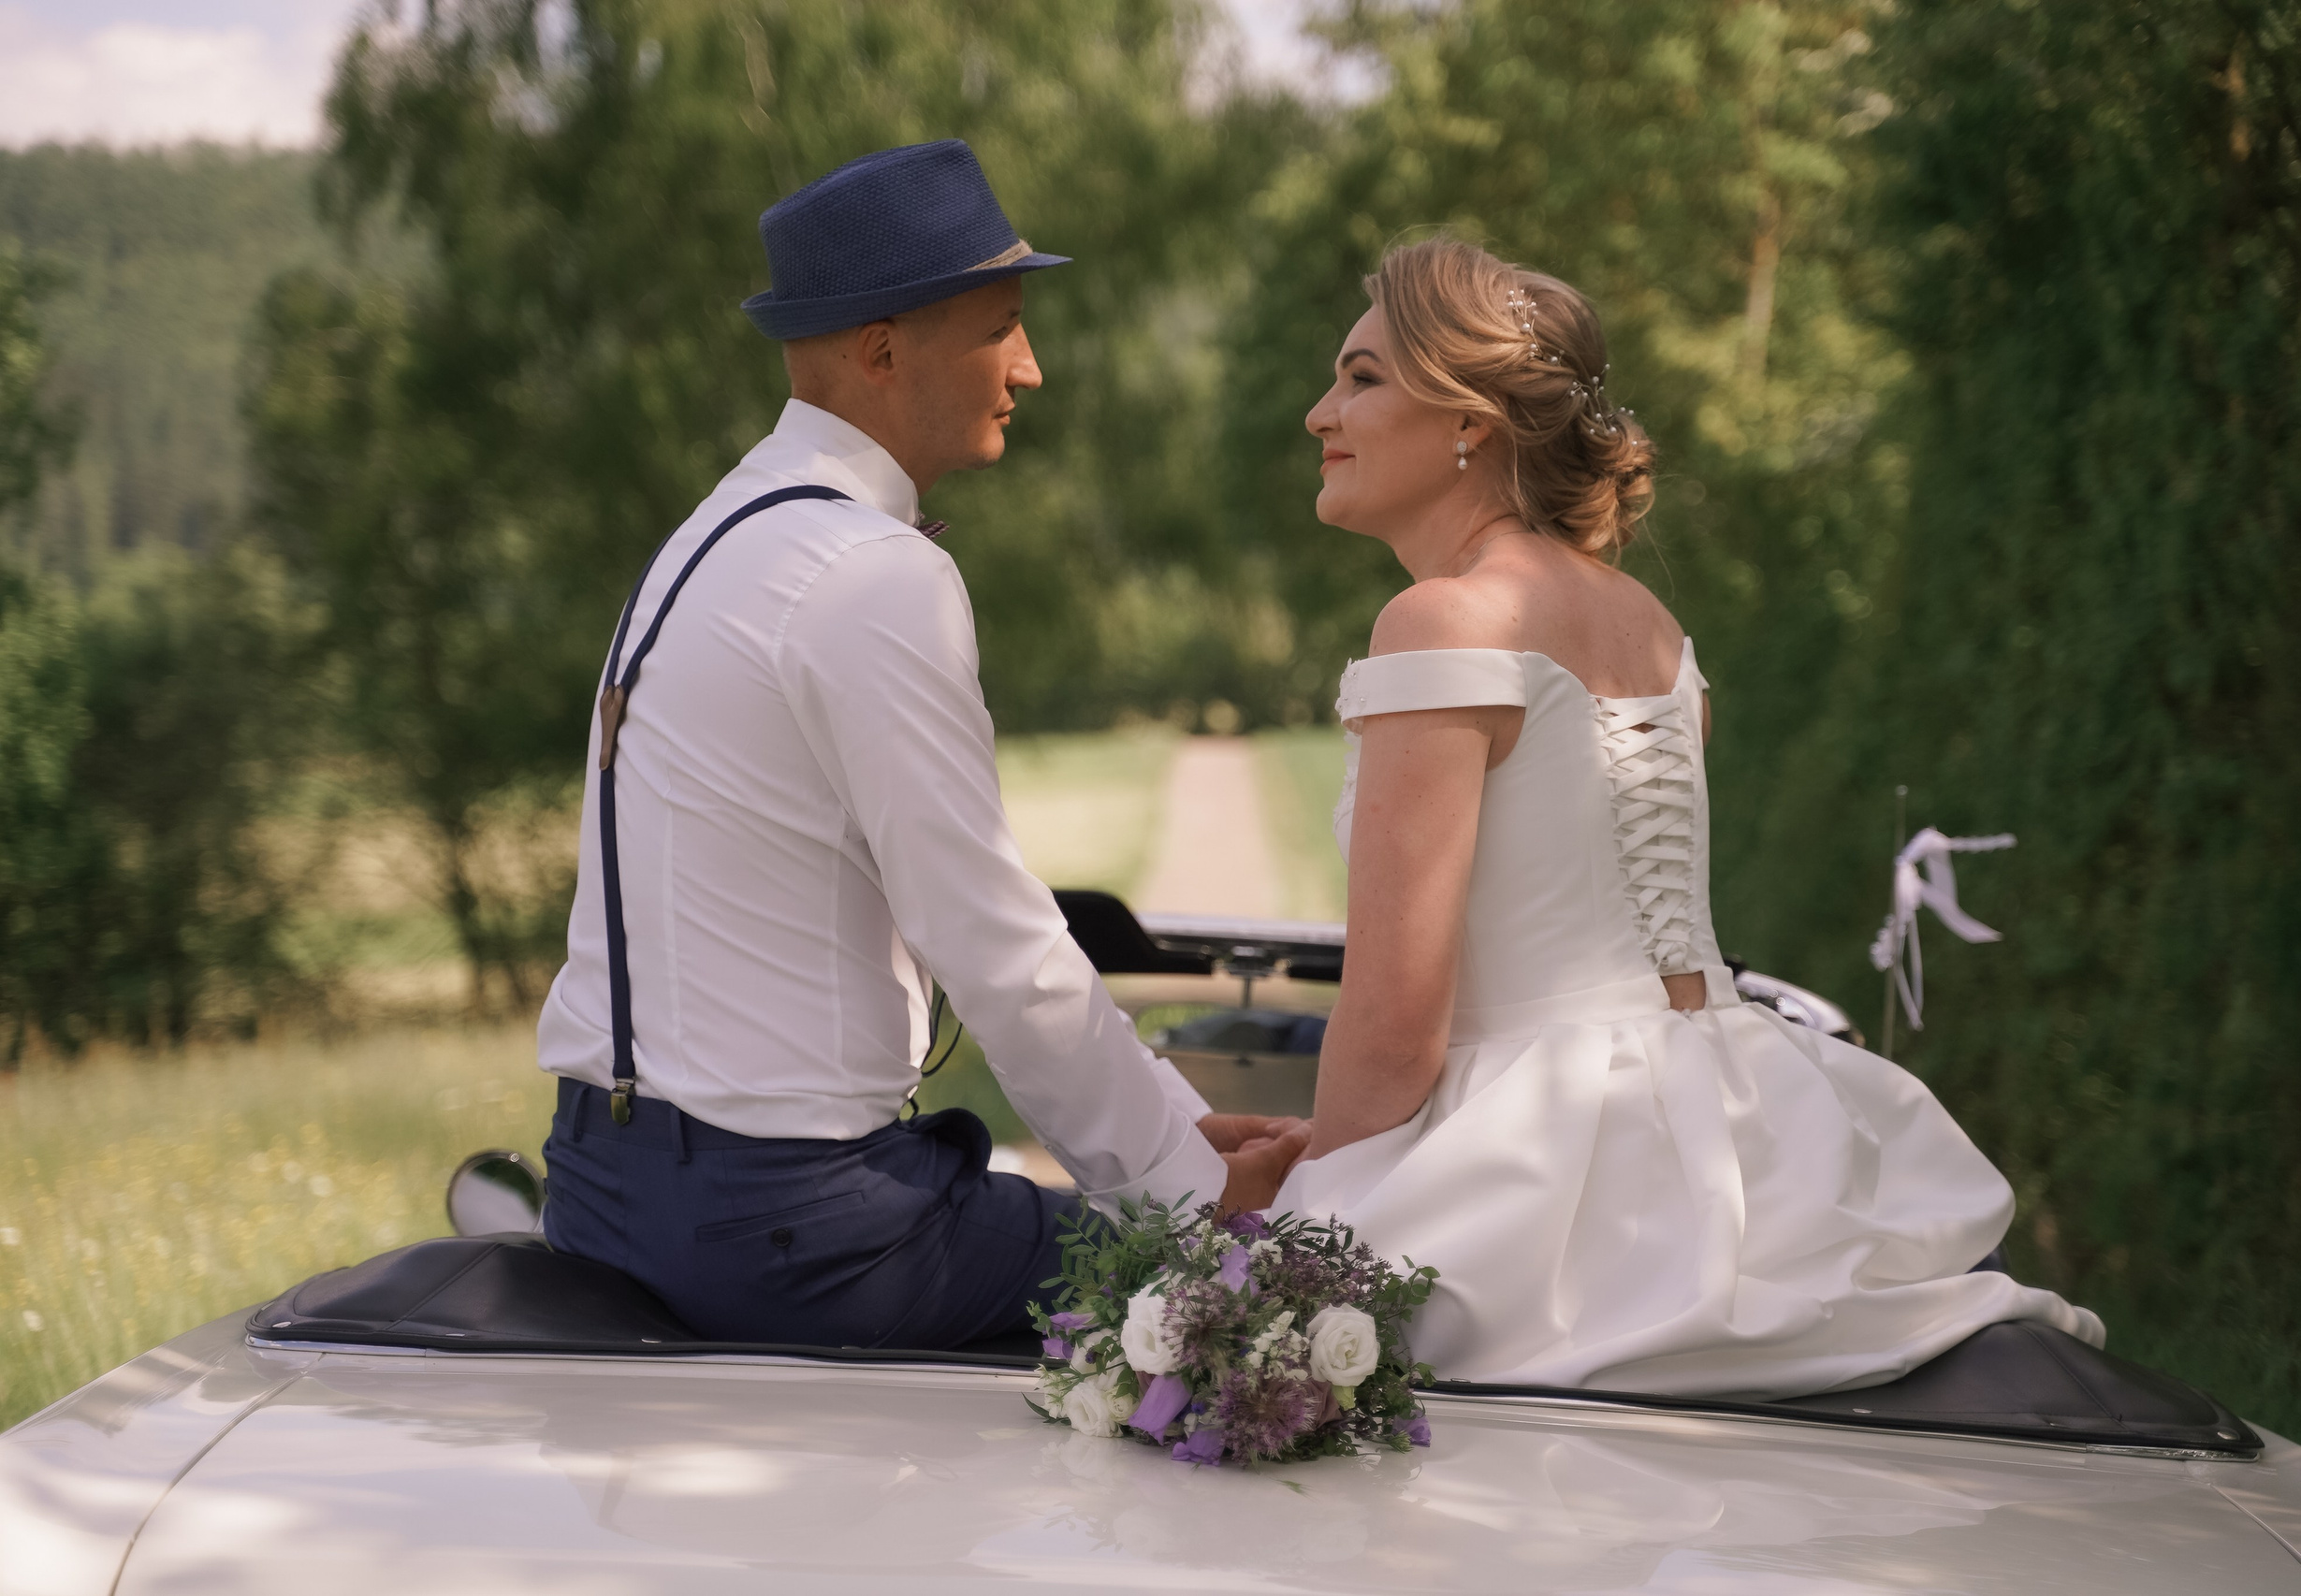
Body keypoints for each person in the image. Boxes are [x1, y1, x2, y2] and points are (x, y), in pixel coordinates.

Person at [1274, 236, 2102, 1398]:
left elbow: (1397, 1025)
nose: (1320, 412)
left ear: (1472, 419)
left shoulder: (1439, 621)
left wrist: (1303, 1228)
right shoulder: (1658, 631)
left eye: (1361, 377)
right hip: (1745, 1129)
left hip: (1544, 1173)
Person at [535, 140, 1309, 1351]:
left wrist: (1165, 1119)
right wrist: (1190, 1193)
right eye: (1001, 326)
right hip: (792, 1228)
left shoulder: (708, 537)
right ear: (885, 347)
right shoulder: (869, 572)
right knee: (1277, 1306)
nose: (1032, 367)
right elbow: (990, 937)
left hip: (597, 1192)